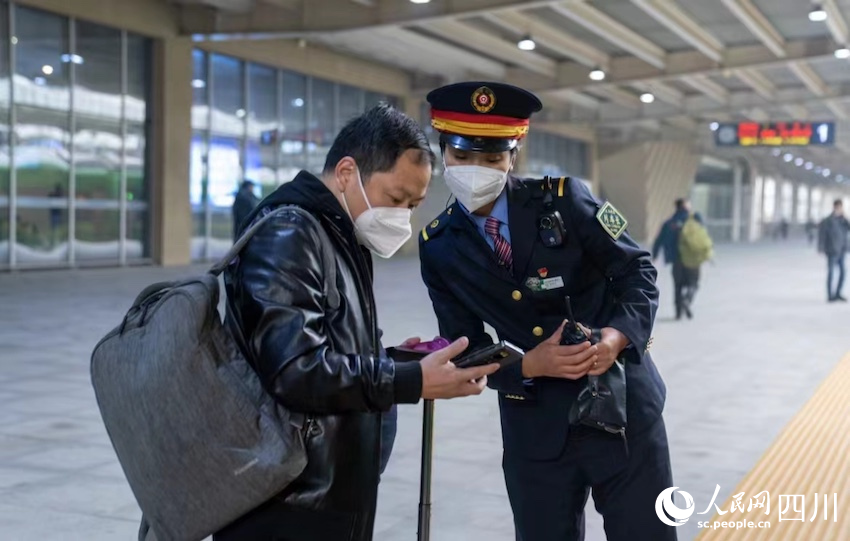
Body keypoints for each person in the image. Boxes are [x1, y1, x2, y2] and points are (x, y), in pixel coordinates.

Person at [216, 105, 499, 541]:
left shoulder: (338, 235)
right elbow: (295, 372)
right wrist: (409, 382)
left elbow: (323, 353)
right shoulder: (291, 235)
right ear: (347, 172)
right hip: (289, 504)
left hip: (326, 492)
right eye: (396, 198)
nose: (402, 215)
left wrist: (394, 361)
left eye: (414, 205)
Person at [418, 82, 674, 541]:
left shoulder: (566, 199)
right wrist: (527, 365)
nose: (476, 169)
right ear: (443, 156)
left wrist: (615, 338)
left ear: (512, 157)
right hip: (534, 426)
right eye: (462, 157)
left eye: (493, 158)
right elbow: (466, 345)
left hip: (623, 410)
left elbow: (638, 271)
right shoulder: (438, 247)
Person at [652, 198, 706, 320]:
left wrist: (654, 256)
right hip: (692, 259)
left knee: (678, 286)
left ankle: (678, 313)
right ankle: (687, 299)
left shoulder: (668, 223)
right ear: (686, 206)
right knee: (694, 283)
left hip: (676, 260)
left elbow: (658, 241)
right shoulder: (695, 219)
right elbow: (703, 235)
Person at [817, 199, 850, 302]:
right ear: (834, 207)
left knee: (843, 273)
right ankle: (830, 295)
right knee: (831, 273)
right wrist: (821, 247)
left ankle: (838, 293)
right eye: (838, 207)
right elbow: (822, 234)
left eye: (841, 207)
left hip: (841, 250)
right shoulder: (827, 220)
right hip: (832, 250)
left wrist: (844, 218)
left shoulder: (843, 220)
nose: (839, 209)